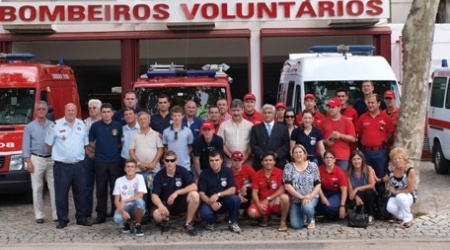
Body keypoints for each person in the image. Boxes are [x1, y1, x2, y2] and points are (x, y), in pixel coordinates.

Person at [45, 103, 92, 229]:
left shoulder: (81, 125)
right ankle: (63, 219)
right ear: (64, 111)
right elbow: (48, 144)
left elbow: (85, 144)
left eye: (73, 110)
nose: (71, 112)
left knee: (81, 192)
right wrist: (59, 155)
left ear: (76, 111)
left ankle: (81, 218)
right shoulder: (55, 125)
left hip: (79, 165)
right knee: (61, 194)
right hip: (62, 166)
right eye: (68, 110)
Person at [22, 101, 57, 223]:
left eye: (44, 109)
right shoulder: (30, 127)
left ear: (47, 111)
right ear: (36, 111)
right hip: (36, 158)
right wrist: (28, 161)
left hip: (51, 158)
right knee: (37, 188)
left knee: (54, 188)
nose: (42, 111)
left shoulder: (53, 125)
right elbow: (26, 145)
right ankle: (39, 215)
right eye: (39, 109)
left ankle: (56, 215)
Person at [89, 103, 123, 224]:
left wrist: (112, 148)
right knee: (101, 189)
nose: (106, 114)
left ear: (112, 113)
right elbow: (91, 141)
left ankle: (115, 211)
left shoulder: (118, 125)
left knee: (115, 189)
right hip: (100, 162)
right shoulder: (95, 126)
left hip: (114, 161)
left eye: (109, 112)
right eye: (104, 112)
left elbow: (120, 142)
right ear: (101, 113)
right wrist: (100, 148)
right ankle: (101, 214)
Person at [151, 151, 200, 236]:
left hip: (180, 202)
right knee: (156, 215)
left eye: (172, 160)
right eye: (167, 160)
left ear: (176, 160)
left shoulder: (182, 171)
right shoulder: (159, 175)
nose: (170, 163)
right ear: (164, 161)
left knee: (195, 195)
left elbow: (194, 186)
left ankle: (188, 224)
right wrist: (160, 205)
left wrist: (177, 192)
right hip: (166, 203)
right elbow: (154, 195)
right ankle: (165, 220)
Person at [198, 150, 242, 234]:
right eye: (211, 160)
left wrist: (218, 194)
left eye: (217, 160)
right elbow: (201, 193)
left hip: (223, 200)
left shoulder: (227, 171)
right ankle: (212, 221)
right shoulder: (204, 174)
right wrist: (210, 202)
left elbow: (232, 189)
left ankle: (232, 222)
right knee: (206, 214)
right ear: (209, 161)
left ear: (221, 160)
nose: (214, 163)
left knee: (235, 199)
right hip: (209, 201)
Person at [129, 111, 164, 214]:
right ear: (138, 121)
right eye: (140, 119)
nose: (143, 121)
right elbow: (131, 151)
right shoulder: (135, 136)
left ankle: (156, 214)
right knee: (141, 194)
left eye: (145, 119)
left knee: (154, 193)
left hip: (153, 170)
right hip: (140, 171)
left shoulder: (156, 134)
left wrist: (153, 163)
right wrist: (139, 163)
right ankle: (144, 215)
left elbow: (160, 149)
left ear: (149, 120)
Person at [355, 94, 394, 179]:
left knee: (381, 175)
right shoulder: (362, 118)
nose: (370, 105)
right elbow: (359, 133)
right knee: (366, 176)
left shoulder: (386, 118)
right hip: (365, 152)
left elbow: (390, 133)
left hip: (380, 152)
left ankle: (381, 192)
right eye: (368, 103)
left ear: (379, 103)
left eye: (372, 103)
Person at [247, 152, 290, 231]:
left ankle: (283, 222)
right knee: (252, 213)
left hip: (275, 200)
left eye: (270, 160)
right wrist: (258, 204)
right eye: (266, 160)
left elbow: (282, 189)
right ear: (262, 162)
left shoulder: (279, 172)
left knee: (285, 198)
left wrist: (269, 198)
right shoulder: (257, 174)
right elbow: (254, 192)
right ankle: (265, 216)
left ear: (274, 162)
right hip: (262, 201)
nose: (268, 162)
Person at [283, 144, 321, 230]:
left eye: (300, 152)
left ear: (304, 154)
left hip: (311, 197)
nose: (298, 154)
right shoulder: (288, 167)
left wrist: (310, 196)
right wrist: (301, 197)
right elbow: (287, 186)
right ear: (292, 155)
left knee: (307, 207)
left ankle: (311, 219)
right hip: (296, 200)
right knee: (296, 225)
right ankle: (304, 215)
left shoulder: (313, 166)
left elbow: (318, 184)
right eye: (295, 153)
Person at [112, 160, 147, 237]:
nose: (130, 168)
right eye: (128, 166)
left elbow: (140, 195)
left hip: (135, 206)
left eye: (132, 167)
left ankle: (138, 225)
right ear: (124, 169)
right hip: (125, 207)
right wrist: (122, 211)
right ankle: (128, 223)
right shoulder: (119, 180)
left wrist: (125, 200)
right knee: (117, 219)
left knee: (140, 202)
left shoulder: (140, 177)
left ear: (135, 169)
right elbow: (116, 200)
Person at [385, 147, 417, 228]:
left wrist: (395, 191)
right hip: (394, 195)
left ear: (404, 159)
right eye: (395, 159)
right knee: (390, 207)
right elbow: (387, 179)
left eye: (399, 158)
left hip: (408, 195)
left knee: (400, 197)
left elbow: (410, 189)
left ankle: (408, 219)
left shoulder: (409, 171)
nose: (397, 160)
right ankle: (402, 217)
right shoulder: (391, 170)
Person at [250, 104, 290, 171]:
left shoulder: (283, 128)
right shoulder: (255, 128)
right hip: (261, 163)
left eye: (269, 112)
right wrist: (264, 156)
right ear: (262, 114)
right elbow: (253, 145)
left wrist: (276, 155)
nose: (267, 115)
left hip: (278, 163)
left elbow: (286, 145)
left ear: (274, 114)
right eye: (265, 113)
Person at [320, 97, 356, 171]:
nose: (330, 109)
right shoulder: (323, 122)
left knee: (342, 178)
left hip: (342, 156)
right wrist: (326, 141)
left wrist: (341, 136)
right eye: (329, 107)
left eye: (333, 107)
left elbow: (353, 138)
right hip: (328, 156)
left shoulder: (347, 121)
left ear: (339, 108)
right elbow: (319, 140)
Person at [218, 99, 253, 166]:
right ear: (230, 110)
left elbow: (252, 143)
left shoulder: (250, 125)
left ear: (243, 110)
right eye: (233, 110)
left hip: (247, 162)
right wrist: (231, 156)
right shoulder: (224, 125)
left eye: (238, 110)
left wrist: (246, 157)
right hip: (229, 162)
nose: (236, 113)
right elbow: (221, 143)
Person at [347, 150, 376, 225]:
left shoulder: (368, 169)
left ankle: (370, 216)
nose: (356, 161)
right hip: (356, 196)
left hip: (367, 194)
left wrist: (357, 189)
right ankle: (358, 215)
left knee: (369, 192)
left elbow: (372, 185)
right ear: (351, 161)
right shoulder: (348, 173)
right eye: (354, 159)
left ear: (362, 160)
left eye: (358, 159)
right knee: (352, 201)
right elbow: (350, 192)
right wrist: (356, 197)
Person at [83, 99, 102, 219]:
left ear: (99, 109)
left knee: (101, 185)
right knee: (87, 185)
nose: (91, 110)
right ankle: (86, 211)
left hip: (101, 157)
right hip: (88, 156)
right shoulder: (83, 123)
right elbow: (80, 140)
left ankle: (101, 210)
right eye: (90, 108)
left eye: (94, 108)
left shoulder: (105, 122)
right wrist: (88, 152)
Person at [317, 150, 348, 220]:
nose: (329, 159)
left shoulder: (340, 172)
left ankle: (334, 213)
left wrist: (342, 206)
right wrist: (322, 197)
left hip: (335, 193)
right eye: (327, 157)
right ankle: (325, 214)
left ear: (335, 160)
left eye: (331, 157)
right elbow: (316, 185)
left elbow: (344, 191)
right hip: (323, 192)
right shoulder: (319, 169)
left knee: (330, 207)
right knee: (316, 204)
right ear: (323, 159)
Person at [163, 106, 194, 173]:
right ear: (171, 116)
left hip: (185, 165)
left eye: (179, 115)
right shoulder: (166, 131)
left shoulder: (188, 131)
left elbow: (190, 147)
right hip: (171, 165)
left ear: (183, 116)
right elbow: (165, 147)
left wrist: (184, 155)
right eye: (175, 116)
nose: (177, 118)